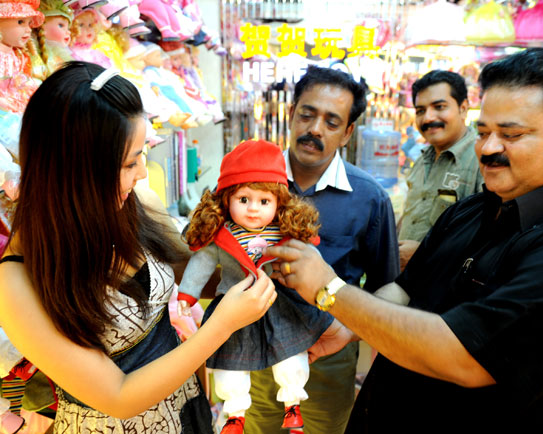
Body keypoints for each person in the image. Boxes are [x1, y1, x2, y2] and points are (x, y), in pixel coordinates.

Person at [267, 47, 543, 430]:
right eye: (485, 132)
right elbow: (406, 289)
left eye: (511, 135)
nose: (488, 149)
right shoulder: (472, 210)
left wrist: (330, 290)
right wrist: (347, 326)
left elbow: (463, 355)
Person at [0, 61, 276, 433]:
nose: (143, 172)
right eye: (130, 162)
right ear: (77, 171)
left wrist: (256, 262)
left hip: (187, 409)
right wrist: (224, 323)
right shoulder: (17, 280)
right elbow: (118, 396)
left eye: (142, 154)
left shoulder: (133, 201)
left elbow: (187, 274)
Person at [244, 66, 400, 433]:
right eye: (307, 114)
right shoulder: (249, 184)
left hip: (327, 354)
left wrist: (347, 328)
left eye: (331, 122)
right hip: (255, 346)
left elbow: (387, 286)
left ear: (347, 133)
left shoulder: (369, 198)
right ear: (292, 113)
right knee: (255, 426)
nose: (315, 129)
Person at [176, 139, 332, 434]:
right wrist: (187, 294)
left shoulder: (285, 232)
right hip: (233, 306)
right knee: (230, 365)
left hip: (278, 300)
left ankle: (293, 402)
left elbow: (311, 259)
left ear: (279, 203)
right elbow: (200, 265)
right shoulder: (220, 235)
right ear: (226, 199)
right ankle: (234, 414)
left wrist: (321, 283)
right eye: (243, 199)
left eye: (264, 202)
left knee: (290, 356)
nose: (252, 210)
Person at [398, 70, 483, 271]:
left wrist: (424, 255)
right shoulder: (422, 158)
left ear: (463, 108)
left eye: (439, 107)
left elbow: (489, 239)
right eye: (420, 110)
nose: (428, 118)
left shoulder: (482, 160)